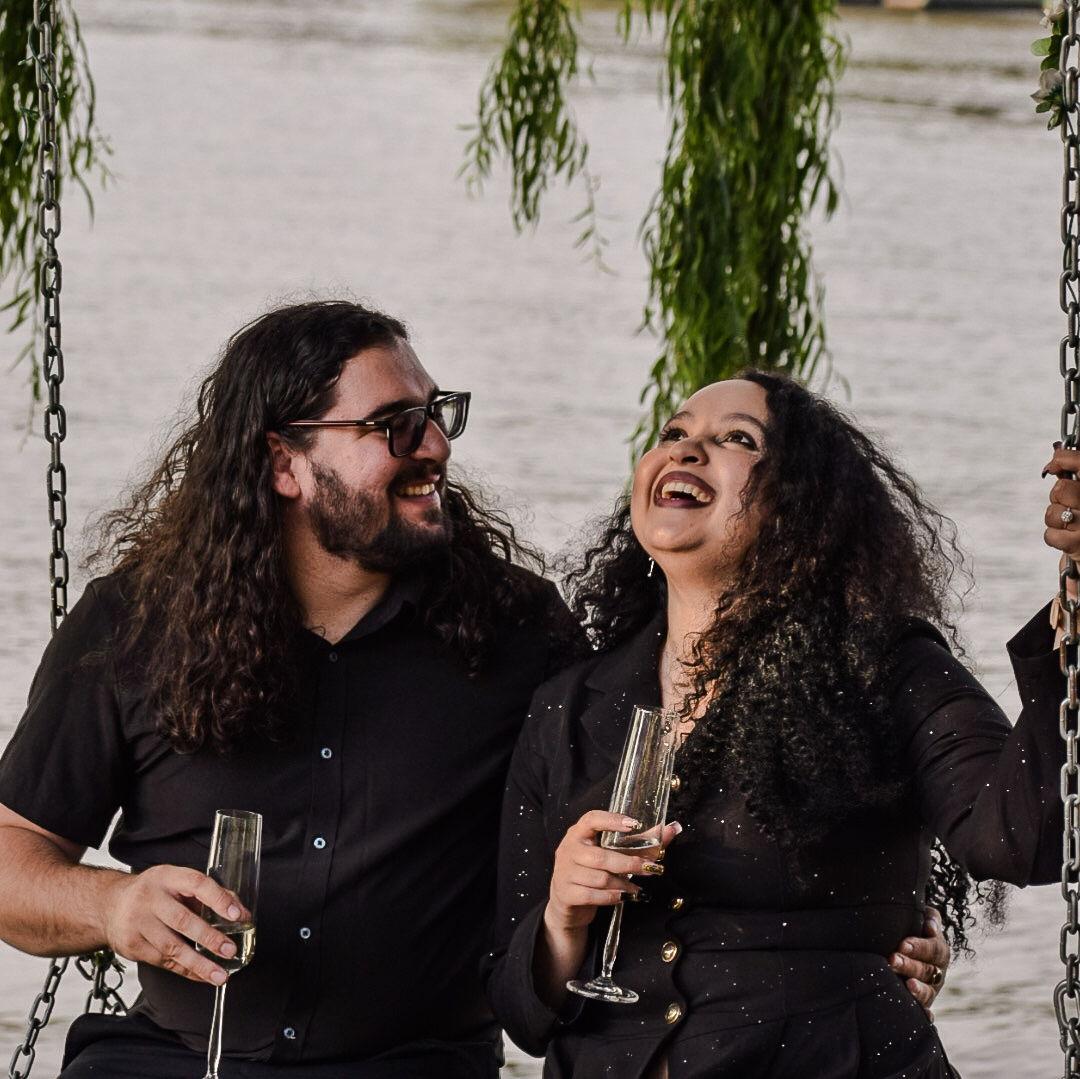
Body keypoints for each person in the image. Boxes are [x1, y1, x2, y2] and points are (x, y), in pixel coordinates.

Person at [0, 305, 947, 1078]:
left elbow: (686, 775)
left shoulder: (516, 631)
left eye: (436, 413)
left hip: (414, 1068)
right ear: (284, 463)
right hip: (172, 1058)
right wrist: (109, 906)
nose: (435, 446)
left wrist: (863, 924)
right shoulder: (134, 624)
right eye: (394, 426)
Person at [484, 371, 1068, 1078]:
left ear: (803, 507)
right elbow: (521, 1016)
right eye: (674, 432)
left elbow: (1022, 838)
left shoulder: (883, 668)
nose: (687, 449)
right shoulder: (567, 706)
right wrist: (562, 918)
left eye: (737, 438)